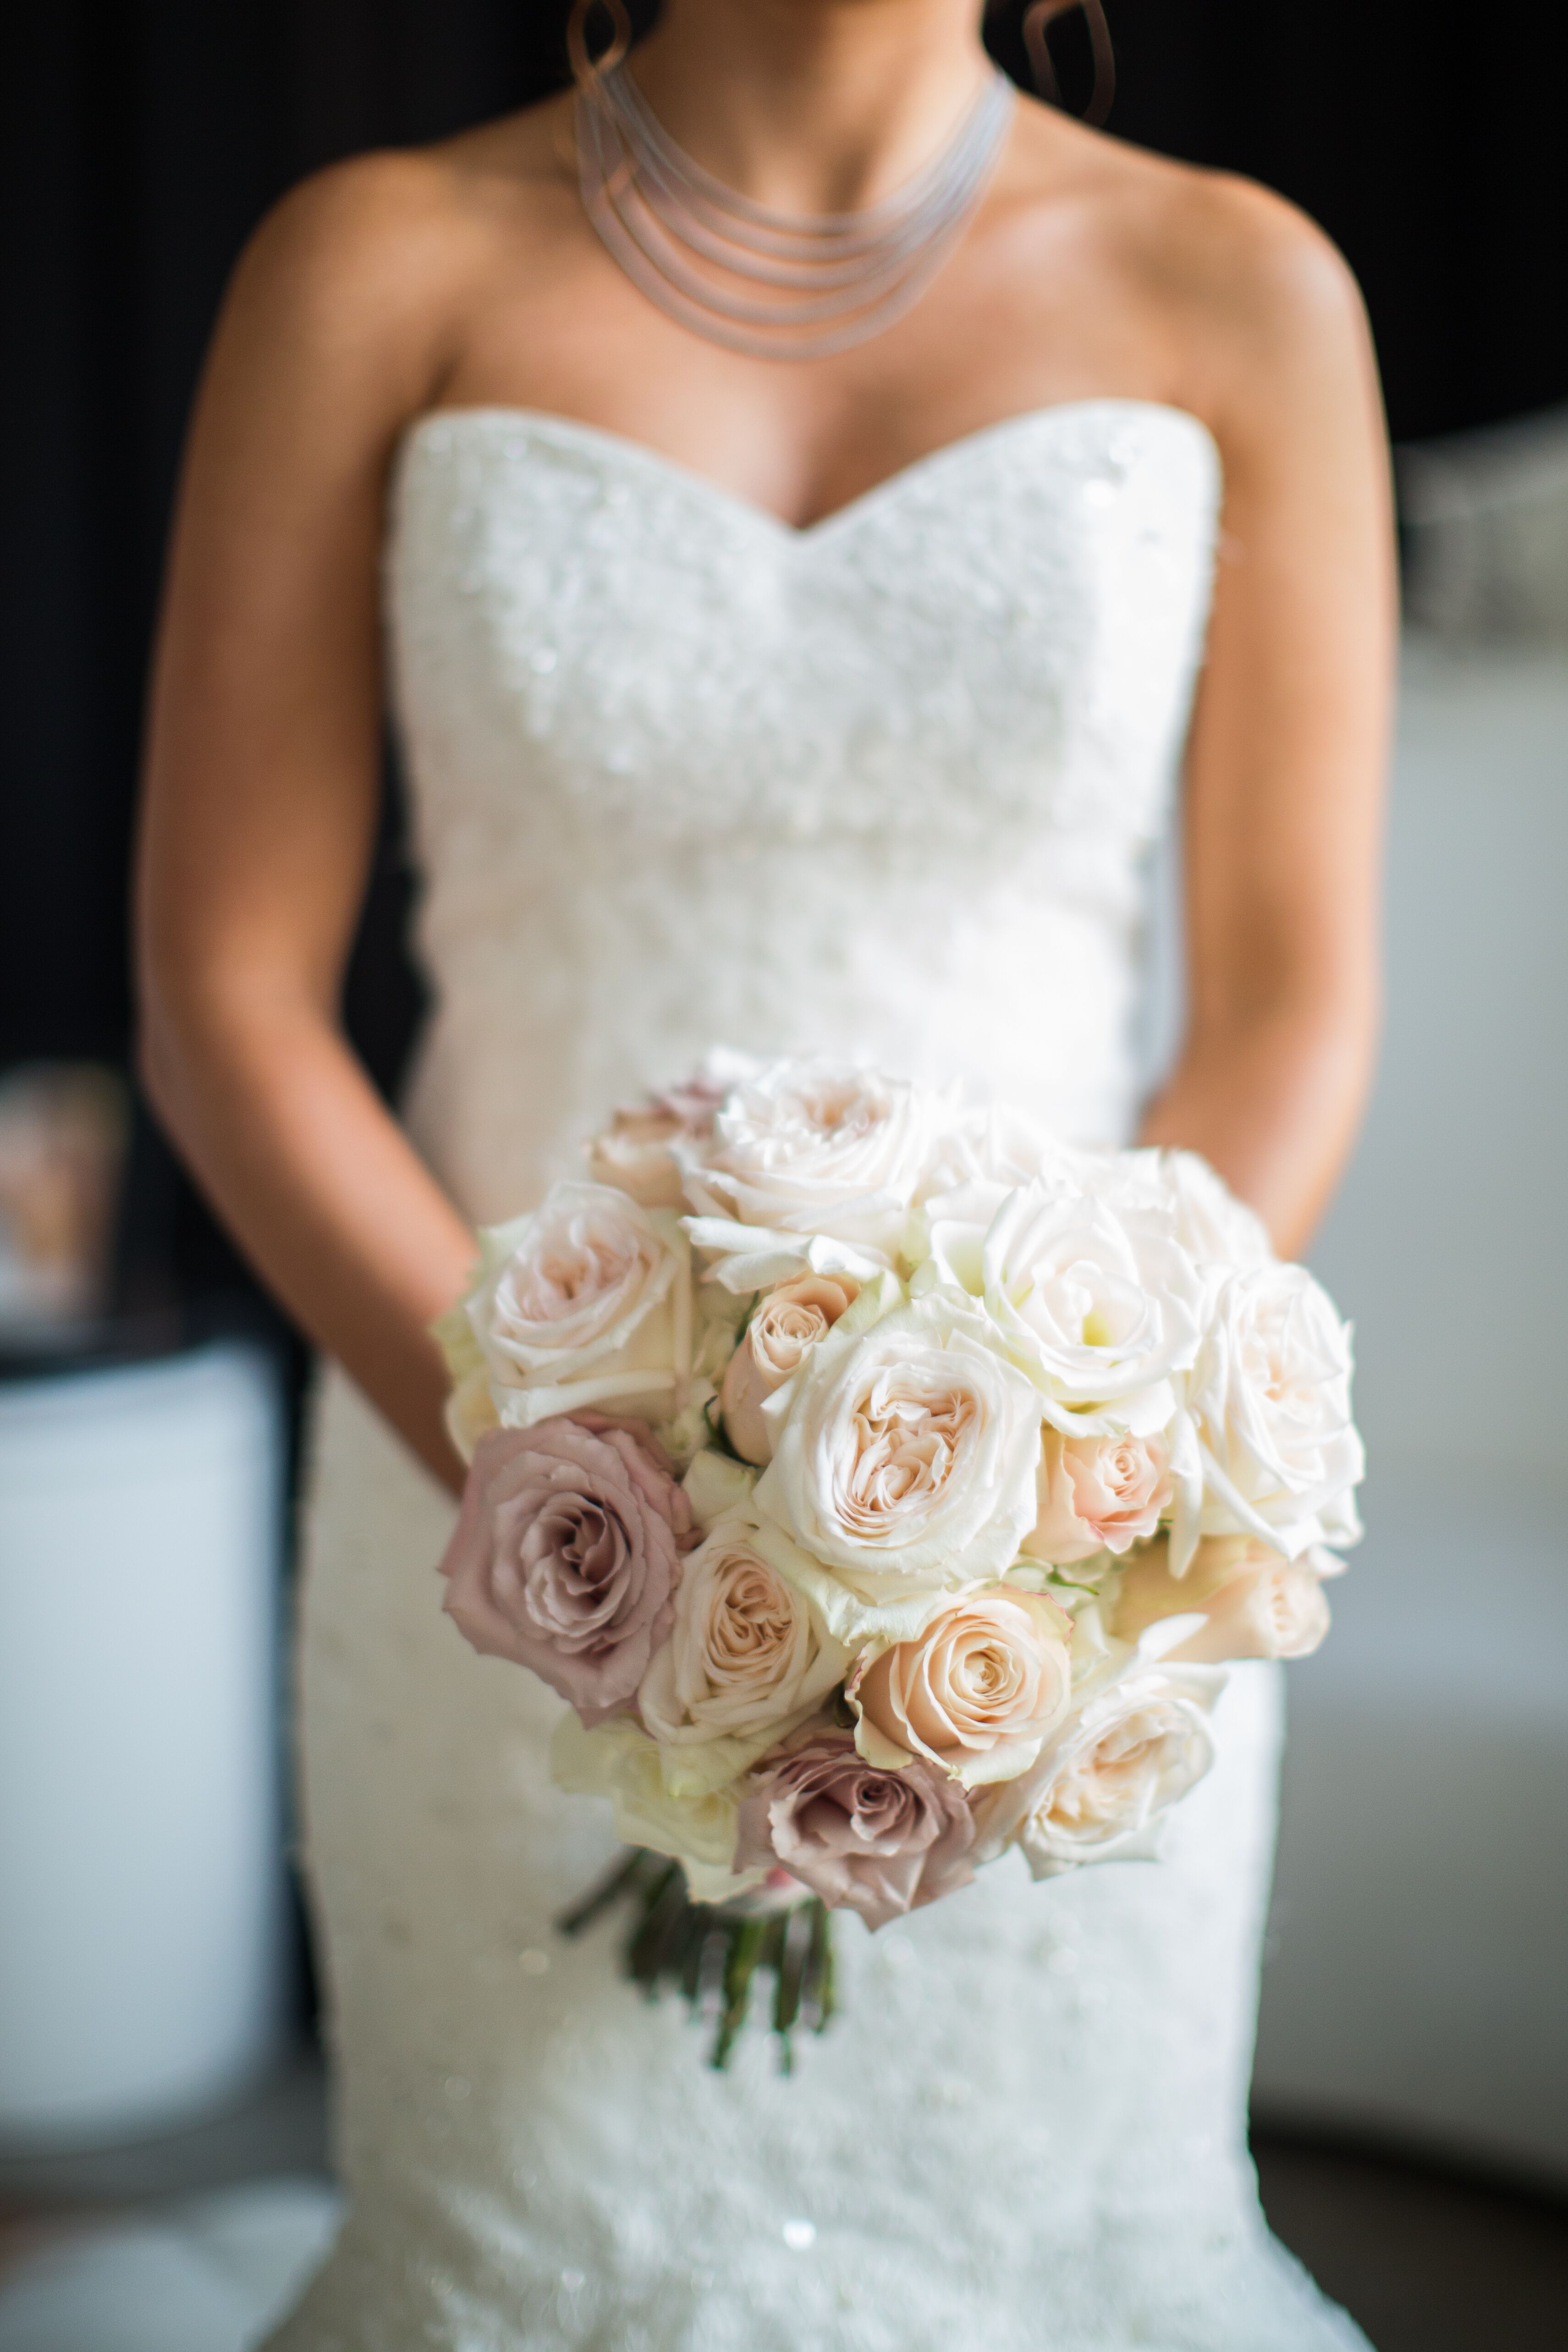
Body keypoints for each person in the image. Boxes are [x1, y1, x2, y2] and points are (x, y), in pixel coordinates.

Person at [136, 1, 1392, 2343]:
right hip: (489, 1512)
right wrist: (573, 1516)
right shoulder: (373, 262)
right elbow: (227, 996)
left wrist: (1066, 1514)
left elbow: (1285, 1005)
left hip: (1064, 1575)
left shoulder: (1243, 290)